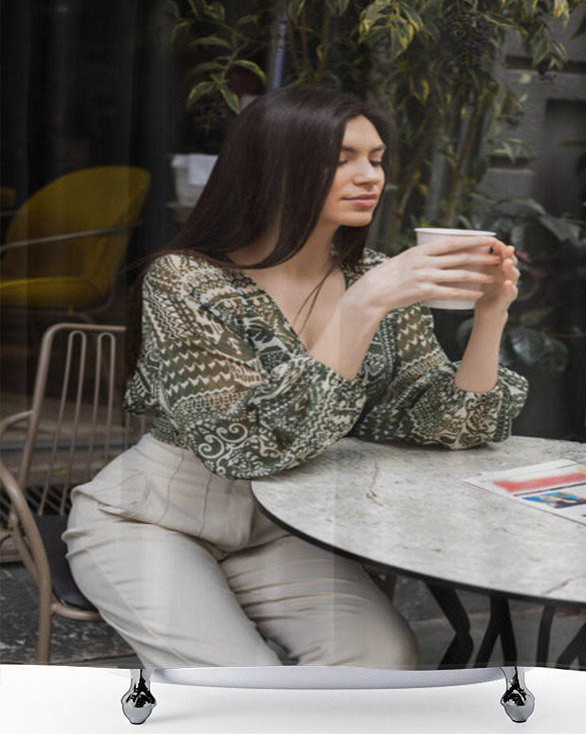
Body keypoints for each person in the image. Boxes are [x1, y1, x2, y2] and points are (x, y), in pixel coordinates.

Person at [63, 84, 529, 671]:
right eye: (341, 159)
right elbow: (243, 444)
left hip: (284, 527)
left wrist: (490, 316)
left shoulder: (377, 277)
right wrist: (363, 306)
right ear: (275, 168)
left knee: (382, 658)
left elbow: (449, 423)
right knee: (242, 682)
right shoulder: (185, 280)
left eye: (377, 159)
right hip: (150, 518)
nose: (369, 177)